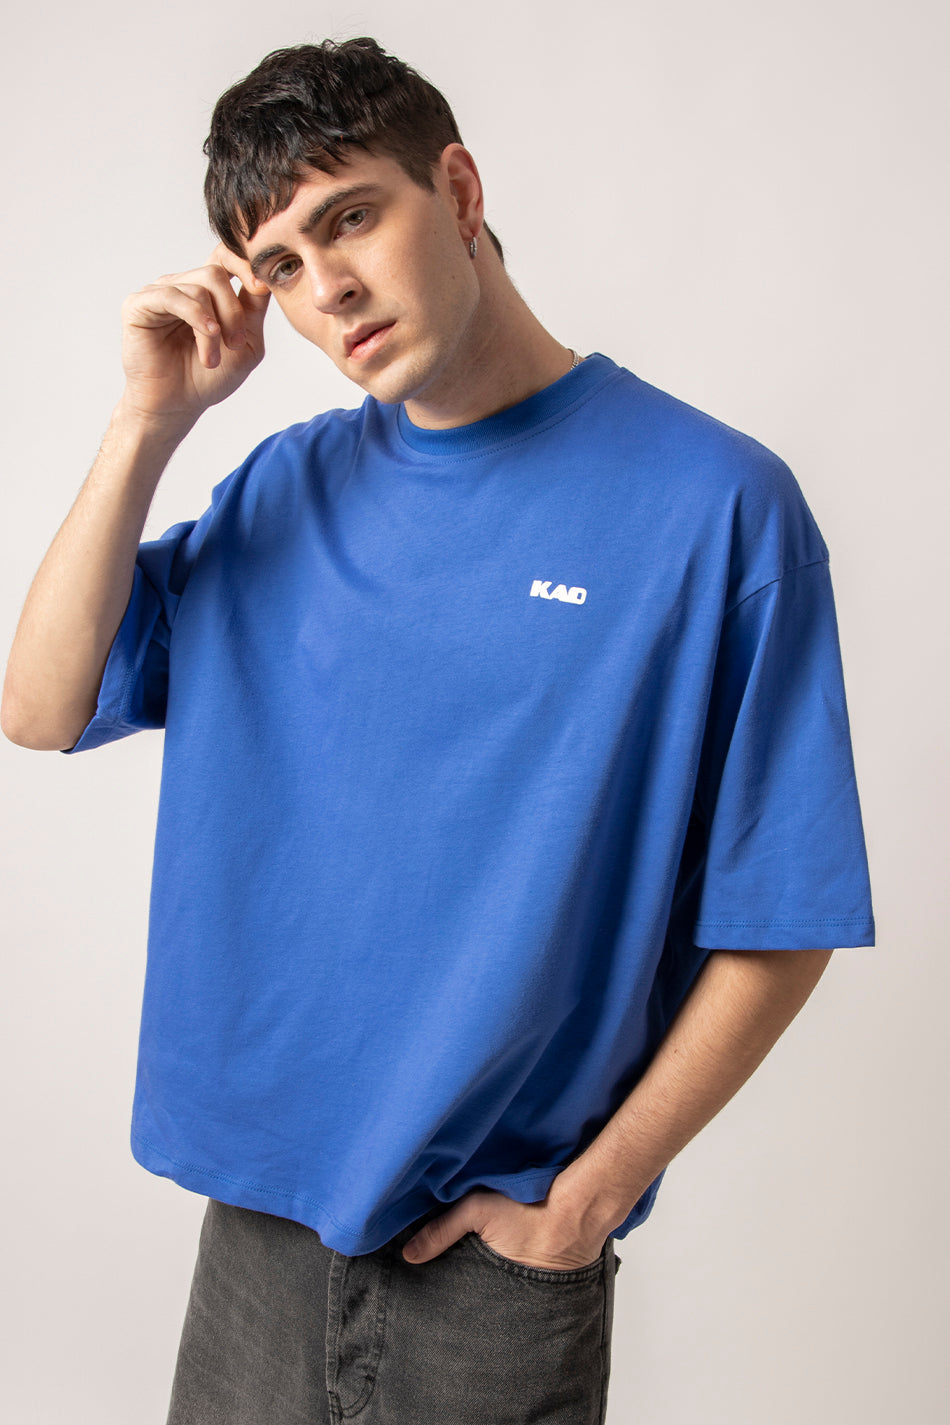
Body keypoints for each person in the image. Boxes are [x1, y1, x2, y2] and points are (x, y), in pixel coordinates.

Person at [1, 35, 874, 1425]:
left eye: (350, 217)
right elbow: (40, 706)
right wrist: (144, 424)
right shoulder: (278, 491)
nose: (327, 288)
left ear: (457, 190)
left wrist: (585, 1200)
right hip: (258, 1229)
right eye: (281, 263)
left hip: (494, 1265)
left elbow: (785, 911)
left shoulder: (715, 506)